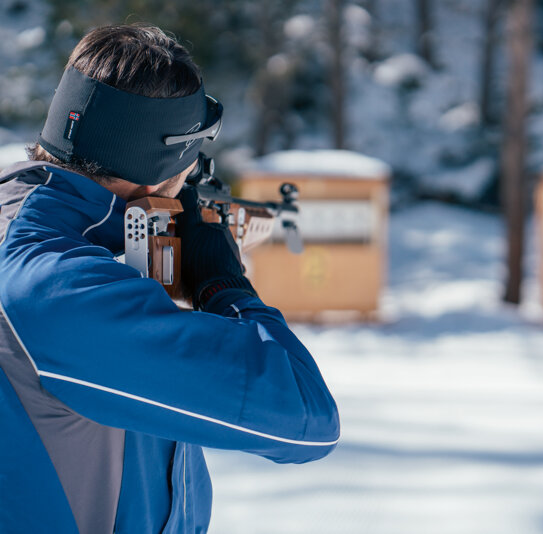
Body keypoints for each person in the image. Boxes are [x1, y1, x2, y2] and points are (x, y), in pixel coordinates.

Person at [0, 24, 339, 534]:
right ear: (162, 177)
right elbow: (306, 421)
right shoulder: (59, 289)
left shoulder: (25, 226)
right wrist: (225, 285)